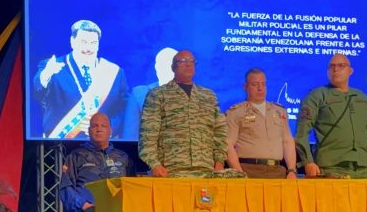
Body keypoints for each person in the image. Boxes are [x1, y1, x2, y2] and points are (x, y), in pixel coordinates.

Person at [138, 49, 241, 178]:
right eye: (183, 61)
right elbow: (148, 134)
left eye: (192, 61)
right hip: (171, 170)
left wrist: (219, 162)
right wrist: (154, 164)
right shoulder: (158, 95)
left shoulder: (208, 96)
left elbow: (219, 131)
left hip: (206, 170)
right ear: (173, 67)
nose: (188, 64)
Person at [33, 20, 129, 139]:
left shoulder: (114, 72)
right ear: (72, 42)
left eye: (93, 43)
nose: (88, 48)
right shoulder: (52, 66)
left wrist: (106, 128)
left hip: (102, 146)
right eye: (83, 42)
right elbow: (37, 92)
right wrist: (46, 75)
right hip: (60, 147)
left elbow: (124, 108)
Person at [295, 54, 367, 179]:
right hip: (330, 169)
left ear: (350, 71)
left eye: (341, 66)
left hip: (362, 170)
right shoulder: (317, 96)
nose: (335, 69)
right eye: (331, 66)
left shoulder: (363, 99)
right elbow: (301, 133)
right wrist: (308, 161)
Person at [225, 68, 297, 179]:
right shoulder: (235, 112)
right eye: (255, 84)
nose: (260, 88)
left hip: (278, 172)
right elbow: (228, 145)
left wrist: (292, 170)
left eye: (263, 84)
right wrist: (239, 173)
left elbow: (287, 141)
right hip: (248, 171)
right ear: (246, 87)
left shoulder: (279, 111)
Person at [121, 47, 177, 139]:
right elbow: (130, 135)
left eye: (171, 65)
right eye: (162, 64)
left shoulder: (192, 94)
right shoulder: (139, 94)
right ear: (156, 67)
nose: (166, 69)